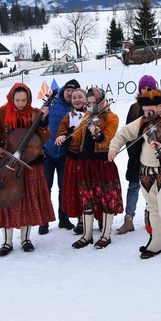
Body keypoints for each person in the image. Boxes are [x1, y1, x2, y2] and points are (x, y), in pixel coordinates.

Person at [108, 89, 161, 263]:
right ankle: (155, 242)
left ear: (160, 106)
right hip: (146, 173)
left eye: (151, 111)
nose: (147, 115)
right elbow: (123, 133)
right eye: (144, 111)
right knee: (152, 209)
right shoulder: (142, 122)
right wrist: (114, 147)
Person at [0, 83, 56, 256]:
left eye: (24, 100)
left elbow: (45, 137)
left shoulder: (35, 113)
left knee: (28, 201)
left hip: (31, 164)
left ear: (29, 99)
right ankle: (7, 242)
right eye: (17, 100)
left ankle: (26, 239)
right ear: (11, 98)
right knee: (6, 199)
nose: (21, 104)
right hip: (8, 163)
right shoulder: (2, 112)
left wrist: (43, 121)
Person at [72, 87, 122, 249]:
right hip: (85, 162)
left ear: (101, 101)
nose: (92, 105)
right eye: (90, 102)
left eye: (95, 102)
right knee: (87, 198)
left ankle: (106, 235)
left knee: (107, 198)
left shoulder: (111, 117)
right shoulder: (87, 115)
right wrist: (68, 137)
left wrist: (98, 135)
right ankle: (87, 235)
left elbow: (107, 139)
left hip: (102, 163)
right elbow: (78, 136)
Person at [115, 74, 158, 235]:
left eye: (149, 88)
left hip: (152, 155)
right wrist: (132, 152)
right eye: (143, 89)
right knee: (133, 187)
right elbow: (127, 132)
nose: (146, 91)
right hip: (135, 154)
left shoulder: (158, 108)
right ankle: (128, 219)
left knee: (151, 188)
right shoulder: (134, 108)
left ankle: (150, 217)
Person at [40, 78, 80, 234]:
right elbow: (39, 125)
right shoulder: (52, 103)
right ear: (64, 90)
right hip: (48, 153)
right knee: (45, 188)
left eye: (73, 91)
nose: (70, 93)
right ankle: (43, 222)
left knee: (64, 187)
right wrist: (40, 148)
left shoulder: (78, 107)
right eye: (68, 90)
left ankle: (64, 218)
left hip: (65, 154)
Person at [54, 87, 89, 233]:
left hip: (89, 157)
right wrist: (62, 135)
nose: (77, 100)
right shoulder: (68, 116)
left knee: (91, 187)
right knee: (78, 189)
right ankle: (81, 220)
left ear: (86, 99)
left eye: (80, 97)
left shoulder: (91, 114)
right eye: (74, 98)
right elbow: (61, 128)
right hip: (74, 157)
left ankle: (99, 218)